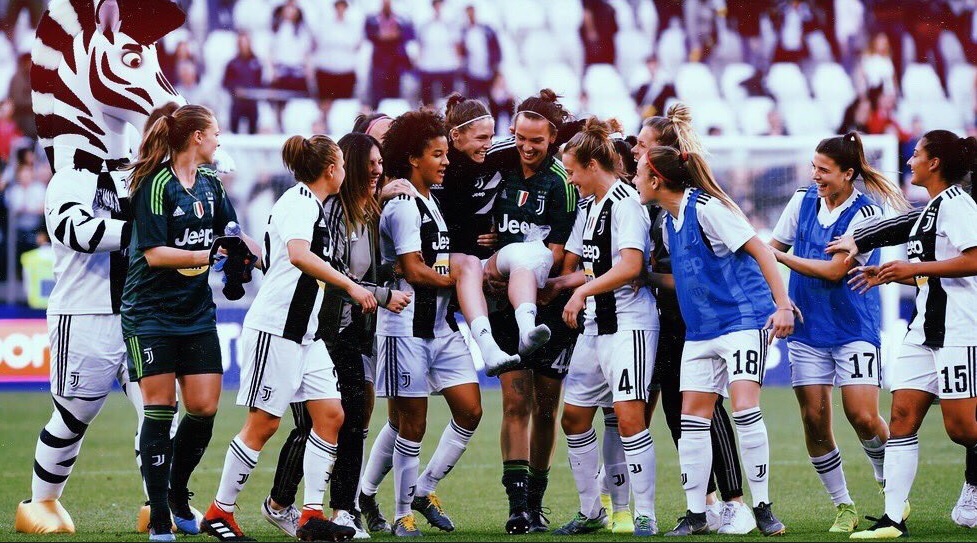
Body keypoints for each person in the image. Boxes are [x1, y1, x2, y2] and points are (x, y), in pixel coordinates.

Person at [201, 134, 404, 542]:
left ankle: (311, 515)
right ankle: (219, 511)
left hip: (306, 334)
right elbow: (297, 253)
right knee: (264, 423)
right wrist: (351, 286)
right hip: (277, 328)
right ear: (331, 169)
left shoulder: (312, 206)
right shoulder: (299, 201)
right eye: (343, 165)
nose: (346, 171)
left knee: (331, 415)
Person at [633, 145, 793, 537]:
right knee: (692, 421)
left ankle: (763, 508)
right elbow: (688, 279)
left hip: (742, 321)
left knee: (743, 409)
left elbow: (762, 251)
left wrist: (783, 305)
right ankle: (697, 515)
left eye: (638, 173)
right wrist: (644, 278)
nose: (634, 179)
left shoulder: (709, 209)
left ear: (656, 180)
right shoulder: (671, 222)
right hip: (701, 332)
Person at [829, 131, 977, 539]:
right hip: (923, 330)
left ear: (934, 164)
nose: (909, 160)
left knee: (963, 430)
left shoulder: (958, 206)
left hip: (960, 330)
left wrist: (913, 270)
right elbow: (932, 268)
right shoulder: (930, 209)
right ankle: (893, 520)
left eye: (916, 154)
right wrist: (889, 275)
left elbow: (974, 259)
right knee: (901, 418)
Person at [262, 133, 409, 539]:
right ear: (349, 166)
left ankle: (339, 509)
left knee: (350, 416)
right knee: (316, 422)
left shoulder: (370, 213)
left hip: (355, 331)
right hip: (320, 328)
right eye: (372, 163)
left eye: (383, 163)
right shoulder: (324, 212)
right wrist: (380, 294)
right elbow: (334, 270)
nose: (379, 170)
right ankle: (286, 504)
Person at [121, 105, 257, 542]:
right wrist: (210, 253)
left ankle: (177, 494)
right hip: (150, 313)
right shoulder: (154, 184)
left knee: (204, 407)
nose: (220, 140)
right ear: (197, 137)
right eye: (215, 132)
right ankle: (160, 514)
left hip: (196, 313)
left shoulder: (212, 183)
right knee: (160, 409)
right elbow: (155, 254)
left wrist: (252, 249)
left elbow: (230, 229)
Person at [768, 132, 908, 533]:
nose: (816, 176)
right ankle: (843, 505)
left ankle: (891, 492)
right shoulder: (801, 200)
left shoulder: (867, 214)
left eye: (824, 170)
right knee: (814, 420)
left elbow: (833, 271)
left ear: (849, 174)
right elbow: (773, 247)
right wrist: (777, 301)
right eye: (813, 167)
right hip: (808, 327)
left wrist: (778, 255)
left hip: (853, 327)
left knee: (863, 416)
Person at [629, 105, 751, 534]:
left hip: (696, 316)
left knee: (705, 408)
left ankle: (736, 500)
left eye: (642, 146)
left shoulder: (695, 205)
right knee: (677, 415)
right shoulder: (647, 199)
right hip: (663, 311)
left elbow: (720, 264)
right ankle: (707, 504)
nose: (635, 152)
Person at [543, 118, 660, 536]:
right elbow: (593, 268)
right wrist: (559, 284)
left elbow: (631, 267)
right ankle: (592, 510)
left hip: (629, 325)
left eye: (573, 171)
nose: (570, 179)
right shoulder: (592, 205)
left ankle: (645, 512)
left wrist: (580, 293)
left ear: (593, 164)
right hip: (597, 326)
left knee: (630, 418)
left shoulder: (627, 202)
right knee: (574, 418)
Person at [372, 109, 483, 537]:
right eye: (437, 154)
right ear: (414, 159)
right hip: (405, 328)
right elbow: (413, 269)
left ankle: (425, 487)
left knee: (471, 410)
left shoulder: (427, 200)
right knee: (410, 424)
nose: (446, 161)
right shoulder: (401, 204)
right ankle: (401, 514)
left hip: (439, 327)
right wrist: (455, 279)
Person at [486, 89, 579, 535]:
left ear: (551, 138)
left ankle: (538, 500)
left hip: (550, 302)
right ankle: (517, 505)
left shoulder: (561, 184)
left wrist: (543, 286)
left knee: (545, 408)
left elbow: (560, 252)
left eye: (536, 141)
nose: (526, 147)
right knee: (515, 400)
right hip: (503, 300)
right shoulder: (497, 163)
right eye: (521, 137)